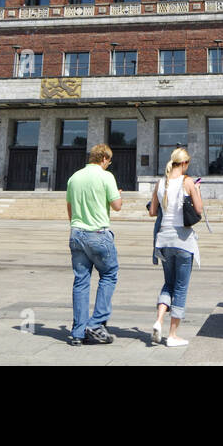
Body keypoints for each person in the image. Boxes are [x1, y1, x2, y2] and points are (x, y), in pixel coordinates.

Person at [66, 143, 123, 345]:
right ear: (104, 159)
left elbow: (70, 208)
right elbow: (117, 206)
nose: (108, 164)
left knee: (81, 281)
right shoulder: (106, 176)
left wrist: (76, 226)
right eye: (109, 161)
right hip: (98, 233)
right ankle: (96, 322)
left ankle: (78, 333)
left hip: (77, 232)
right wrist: (118, 195)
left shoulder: (74, 177)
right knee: (109, 274)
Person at [148, 148, 202, 347]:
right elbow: (199, 210)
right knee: (180, 287)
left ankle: (158, 320)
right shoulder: (188, 182)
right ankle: (172, 335)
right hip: (182, 241)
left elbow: (153, 212)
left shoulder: (160, 183)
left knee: (168, 284)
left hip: (163, 240)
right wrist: (196, 191)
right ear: (185, 163)